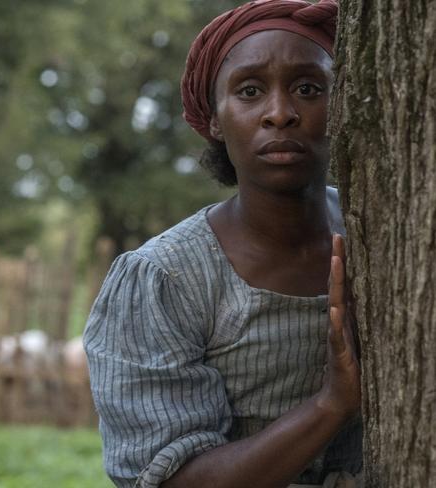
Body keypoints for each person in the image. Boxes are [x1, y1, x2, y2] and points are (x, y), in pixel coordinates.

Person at [83, 1, 362, 487]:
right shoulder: (164, 280)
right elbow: (170, 480)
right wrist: (331, 405)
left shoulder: (376, 234)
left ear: (341, 106)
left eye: (308, 88)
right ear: (215, 119)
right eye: (250, 91)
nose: (280, 113)